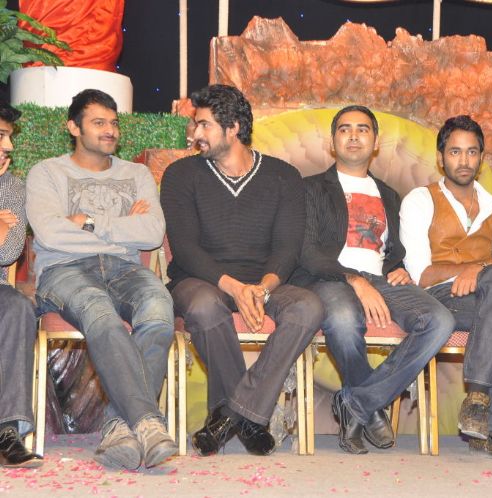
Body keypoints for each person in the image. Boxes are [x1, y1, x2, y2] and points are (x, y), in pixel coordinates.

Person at [160, 84, 322, 457]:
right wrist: (235, 287)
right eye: (195, 124)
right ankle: (250, 420)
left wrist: (262, 289)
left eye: (204, 125)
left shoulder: (284, 176)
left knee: (308, 306)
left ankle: (232, 414)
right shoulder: (180, 174)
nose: (195, 133)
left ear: (232, 128)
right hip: (201, 280)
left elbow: (287, 248)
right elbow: (185, 249)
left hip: (264, 283)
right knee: (204, 307)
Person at [26, 89, 177, 470]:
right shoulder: (47, 172)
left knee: (159, 310)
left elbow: (152, 232)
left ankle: (118, 427)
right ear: (73, 127)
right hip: (65, 270)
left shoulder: (136, 174)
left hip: (125, 269)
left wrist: (89, 222)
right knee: (101, 313)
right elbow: (50, 234)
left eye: (113, 122)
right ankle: (146, 422)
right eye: (98, 122)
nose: (110, 130)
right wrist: (125, 226)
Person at [291, 105, 454, 454]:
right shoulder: (309, 188)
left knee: (439, 320)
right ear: (333, 142)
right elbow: (306, 251)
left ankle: (357, 403)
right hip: (329, 277)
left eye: (362, 129)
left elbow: (394, 250)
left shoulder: (390, 195)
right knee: (343, 319)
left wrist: (400, 266)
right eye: (345, 129)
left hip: (380, 280)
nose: (354, 135)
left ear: (375, 142)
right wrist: (354, 280)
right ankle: (370, 409)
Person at [400, 115, 492, 459]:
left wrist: (480, 268)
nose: (464, 160)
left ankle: (479, 405)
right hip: (440, 299)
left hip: (489, 298)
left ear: (481, 158)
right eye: (455, 152)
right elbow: (421, 274)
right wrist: (473, 268)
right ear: (440, 157)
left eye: (472, 152)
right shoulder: (420, 200)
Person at [0, 102, 42, 468]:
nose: (8, 147)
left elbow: (8, 250)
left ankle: (8, 430)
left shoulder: (13, 188)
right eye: (1, 137)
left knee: (17, 307)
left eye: (9, 138)